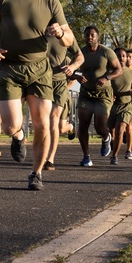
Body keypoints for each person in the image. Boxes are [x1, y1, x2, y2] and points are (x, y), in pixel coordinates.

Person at [0, 0, 74, 191]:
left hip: (41, 70)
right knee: (10, 125)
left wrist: (60, 33)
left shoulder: (51, 2)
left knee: (43, 124)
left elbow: (70, 39)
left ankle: (36, 173)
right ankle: (19, 136)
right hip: (9, 68)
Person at [71, 26, 122, 166]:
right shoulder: (80, 53)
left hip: (103, 94)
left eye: (92, 35)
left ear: (97, 37)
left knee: (100, 126)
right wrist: (76, 76)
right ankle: (86, 156)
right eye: (87, 35)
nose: (90, 37)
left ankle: (106, 137)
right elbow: (69, 69)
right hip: (86, 93)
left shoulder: (106, 52)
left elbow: (119, 69)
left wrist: (107, 77)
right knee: (83, 125)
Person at [43, 29, 83, 171]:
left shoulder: (66, 35)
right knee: (47, 124)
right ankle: (70, 127)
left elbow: (79, 57)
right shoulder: (37, 31)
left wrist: (72, 68)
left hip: (60, 86)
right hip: (41, 83)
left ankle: (50, 159)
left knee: (54, 121)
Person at [108, 47, 132, 164]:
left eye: (123, 56)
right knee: (111, 131)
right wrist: (109, 94)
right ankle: (110, 142)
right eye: (118, 56)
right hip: (111, 105)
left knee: (121, 129)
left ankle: (115, 156)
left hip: (127, 105)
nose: (122, 58)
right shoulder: (109, 71)